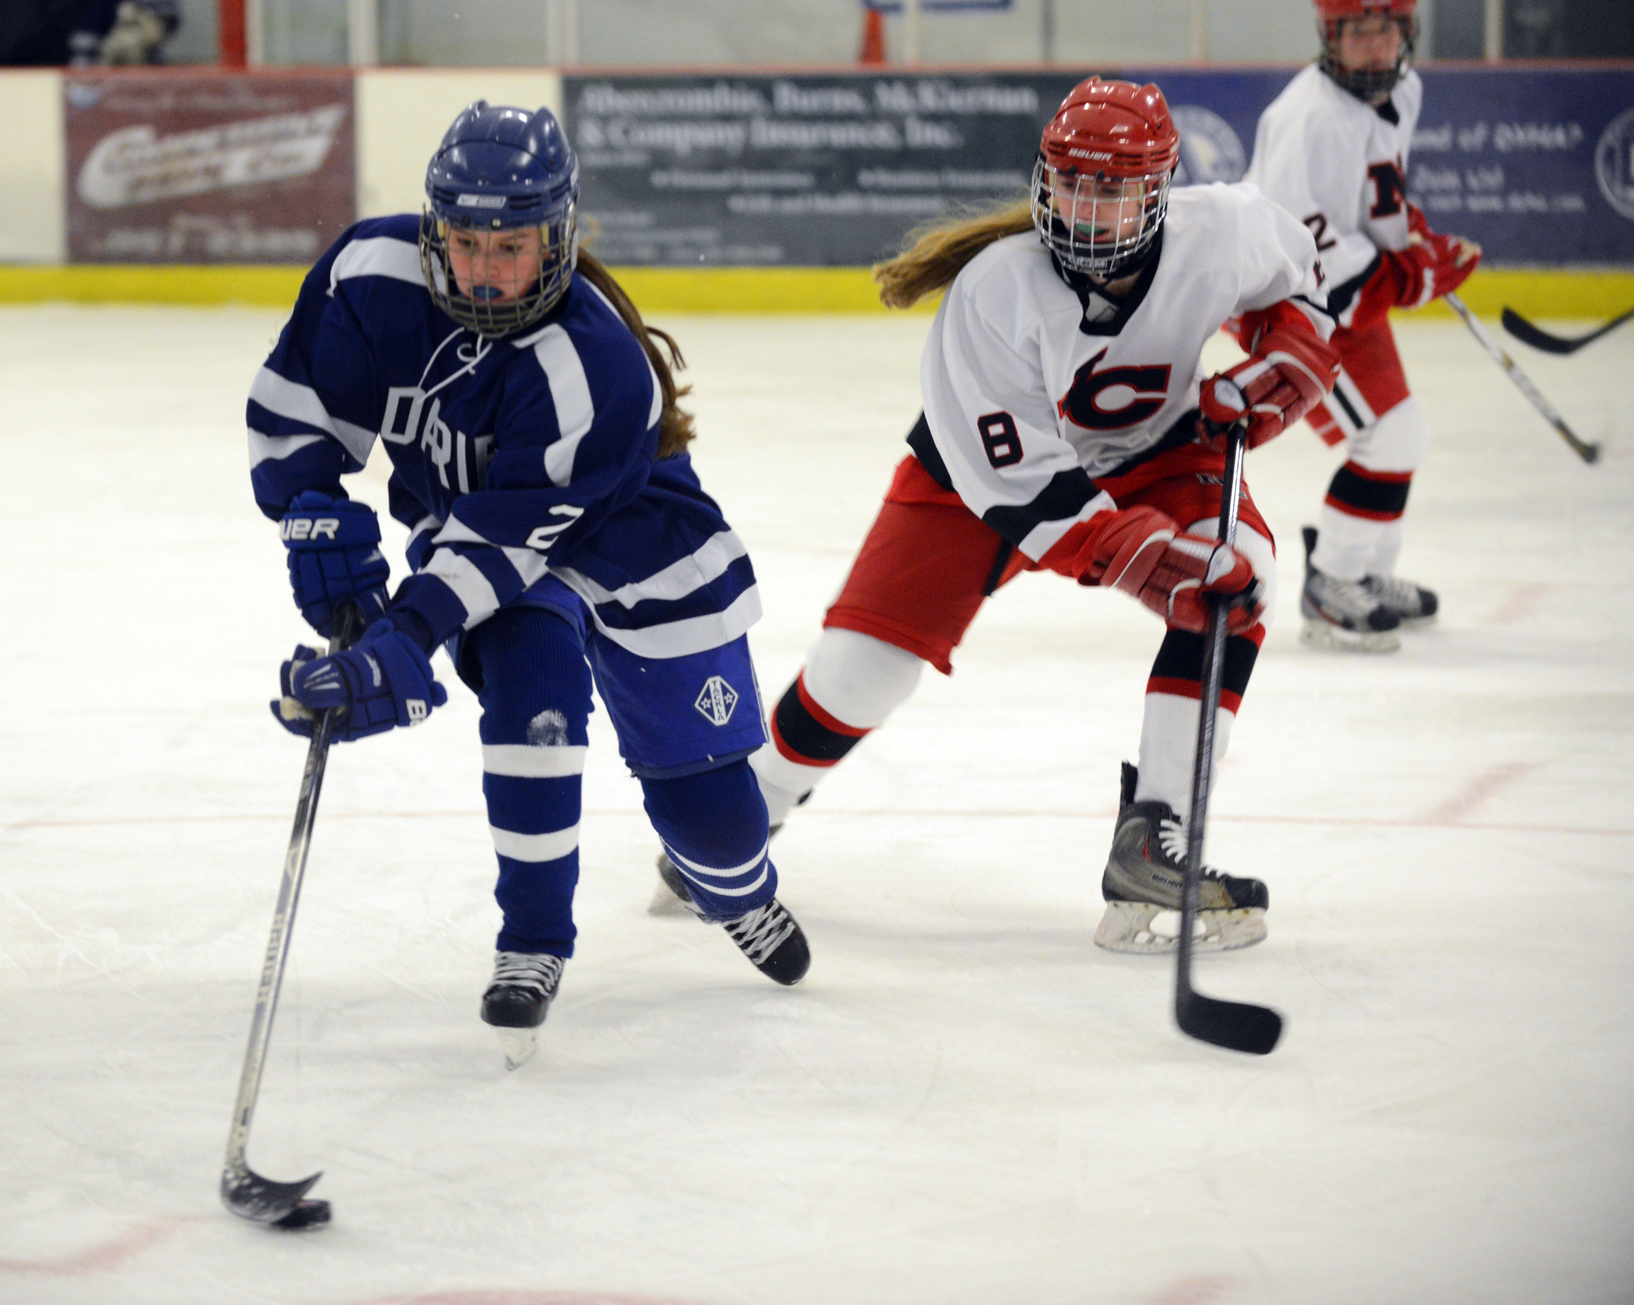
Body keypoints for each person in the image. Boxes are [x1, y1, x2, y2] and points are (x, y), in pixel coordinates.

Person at [658, 77, 1338, 955]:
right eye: (1073, 185)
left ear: (1162, 192)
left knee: (1236, 576)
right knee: (861, 671)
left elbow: (1302, 283)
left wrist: (1289, 345)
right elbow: (1023, 487)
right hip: (979, 479)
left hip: (1160, 452)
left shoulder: (1225, 229)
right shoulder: (995, 291)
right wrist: (1126, 552)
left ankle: (1154, 834)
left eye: (1115, 189)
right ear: (1044, 181)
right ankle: (739, 823)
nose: (1089, 211)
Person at [249, 101, 810, 1065]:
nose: (483, 270)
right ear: (434, 229)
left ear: (560, 236)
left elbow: (500, 548)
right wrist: (313, 516)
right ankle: (533, 942)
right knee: (531, 682)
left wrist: (401, 639)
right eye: (464, 242)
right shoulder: (369, 277)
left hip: (641, 552)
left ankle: (737, 886)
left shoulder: (596, 369)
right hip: (486, 536)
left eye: (512, 246)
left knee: (713, 829)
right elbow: (298, 408)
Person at [1243, 0, 1481, 651]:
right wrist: (1410, 275)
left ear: (1408, 33)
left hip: (1344, 296)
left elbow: (1375, 195)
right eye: (1358, 31)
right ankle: (1332, 584)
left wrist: (1419, 244)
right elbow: (1304, 249)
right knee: (1388, 436)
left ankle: (1368, 572)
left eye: (1387, 30)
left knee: (1405, 434)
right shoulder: (1306, 118)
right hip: (1287, 302)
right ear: (1330, 37)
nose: (1374, 47)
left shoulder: (1406, 88)